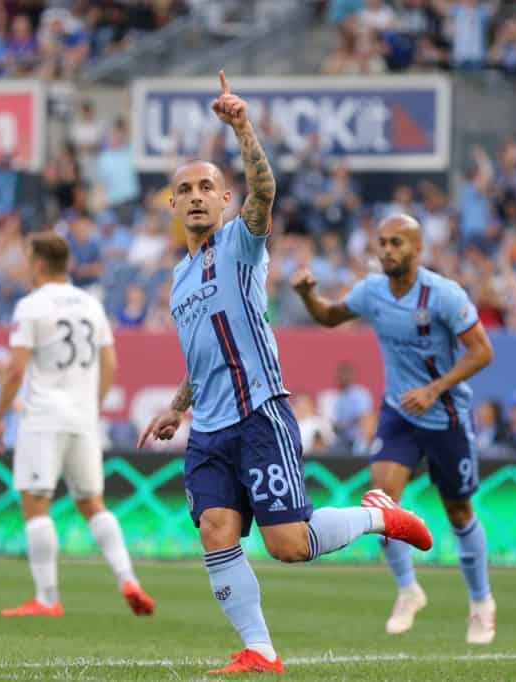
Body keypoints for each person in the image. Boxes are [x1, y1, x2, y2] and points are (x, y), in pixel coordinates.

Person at [138, 72, 432, 675]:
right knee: (216, 530)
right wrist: (177, 405)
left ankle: (381, 514)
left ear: (223, 201)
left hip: (260, 415)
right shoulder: (178, 278)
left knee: (288, 546)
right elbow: (199, 355)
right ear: (172, 204)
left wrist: (242, 128)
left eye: (207, 187)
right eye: (185, 189)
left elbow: (265, 192)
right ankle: (261, 651)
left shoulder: (240, 246)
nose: (196, 196)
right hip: (210, 430)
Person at [291, 213, 496, 644]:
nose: (387, 250)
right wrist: (310, 297)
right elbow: (329, 317)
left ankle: (480, 603)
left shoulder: (443, 296)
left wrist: (435, 388)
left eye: (397, 243)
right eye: (382, 242)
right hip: (399, 413)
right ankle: (408, 590)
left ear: (418, 249)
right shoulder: (372, 291)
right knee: (383, 504)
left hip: (445, 416)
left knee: (459, 513)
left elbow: (482, 352)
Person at [0, 231, 155, 620]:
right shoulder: (90, 304)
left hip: (43, 416)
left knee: (36, 501)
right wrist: (91, 405)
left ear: (38, 263)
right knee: (92, 503)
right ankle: (127, 578)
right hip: (82, 418)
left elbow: (15, 369)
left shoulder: (31, 306)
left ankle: (47, 598)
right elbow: (111, 363)